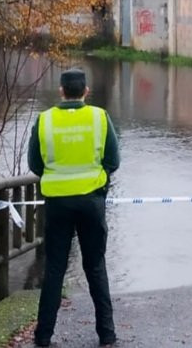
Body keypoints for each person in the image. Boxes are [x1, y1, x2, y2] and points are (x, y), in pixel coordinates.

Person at [28, 67, 120, 347]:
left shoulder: (44, 121)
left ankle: (43, 336)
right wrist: (98, 185)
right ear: (86, 92)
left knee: (54, 268)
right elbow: (113, 161)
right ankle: (106, 334)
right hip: (92, 202)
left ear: (61, 91)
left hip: (57, 204)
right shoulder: (99, 118)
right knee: (95, 267)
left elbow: (34, 164)